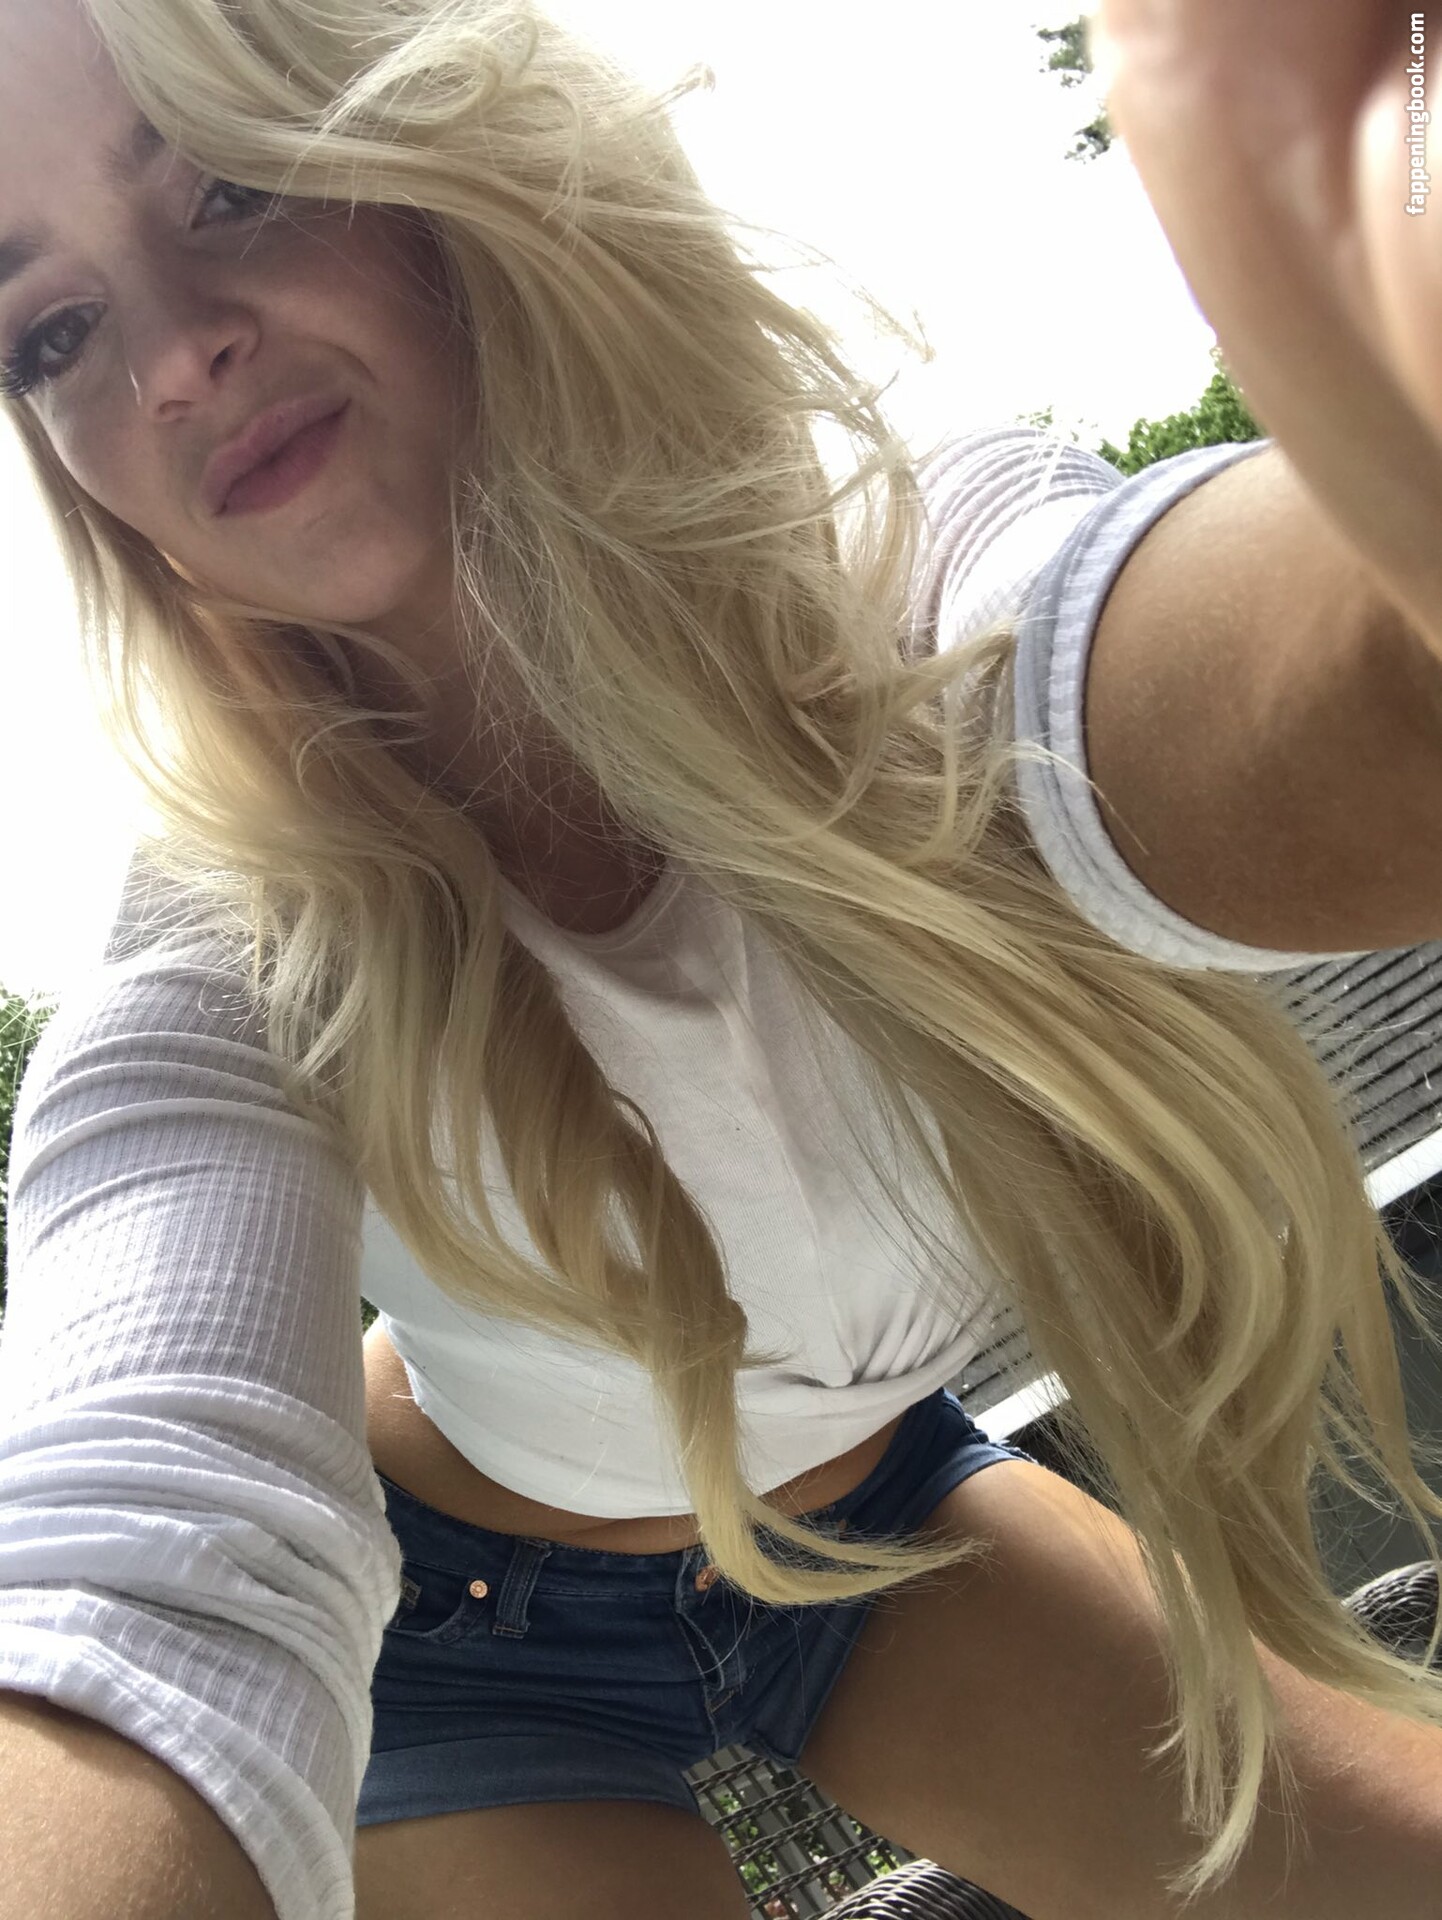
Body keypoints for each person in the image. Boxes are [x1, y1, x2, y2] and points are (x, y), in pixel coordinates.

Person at [1, 1, 1441, 1917]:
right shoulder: (217, 944)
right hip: (437, 1635)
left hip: (867, 1522)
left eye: (232, 187)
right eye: (50, 333)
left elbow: (1281, 691)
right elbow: (132, 1566)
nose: (175, 353)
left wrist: (1382, 360)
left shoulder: (906, 566)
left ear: (448, 154)